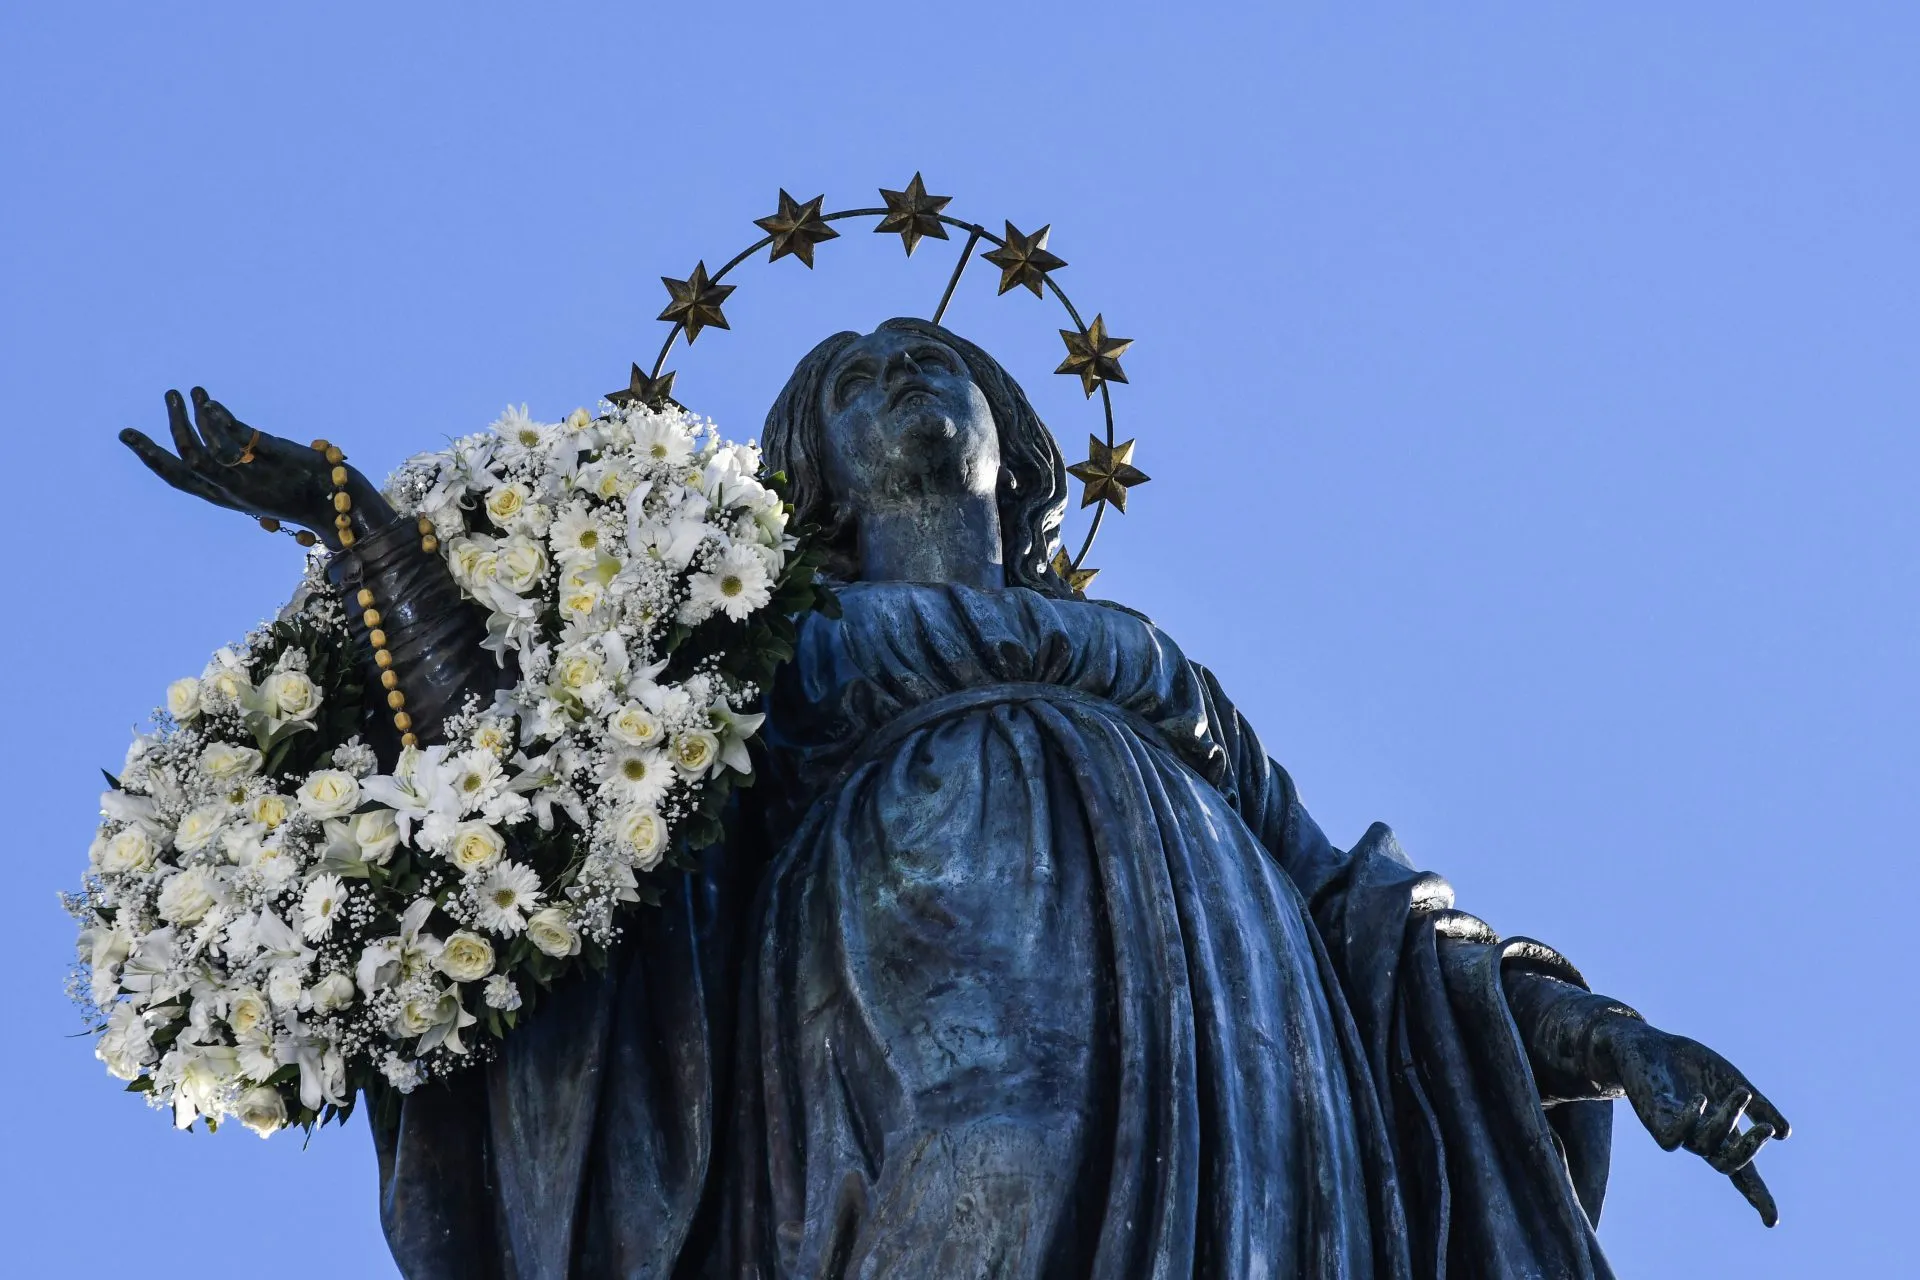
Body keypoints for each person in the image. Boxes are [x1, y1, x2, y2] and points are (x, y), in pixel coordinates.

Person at [121, 318, 1787, 1279]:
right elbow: (564, 858)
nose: (905, 383)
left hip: (1245, 1059)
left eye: (937, 364)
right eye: (860, 383)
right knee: (980, 1203)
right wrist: (380, 546)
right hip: (897, 1013)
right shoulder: (773, 649)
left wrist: (1604, 1039)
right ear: (816, 474)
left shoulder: (1145, 660)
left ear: (1016, 436)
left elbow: (1364, 920)